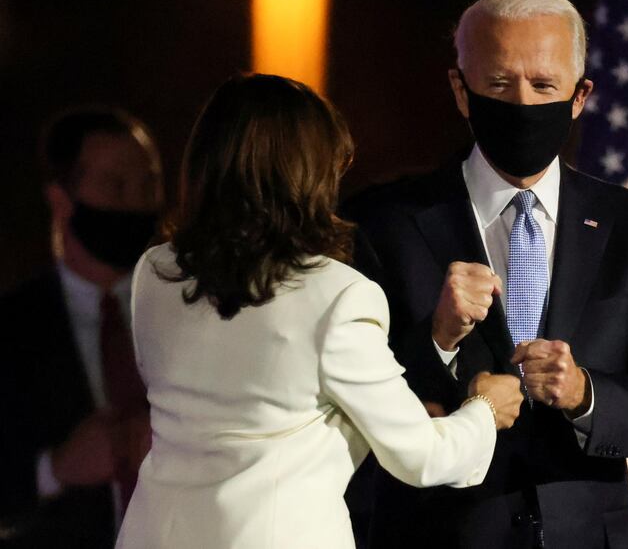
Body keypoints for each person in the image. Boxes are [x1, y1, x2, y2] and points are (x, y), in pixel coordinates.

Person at [349, 0, 628, 548]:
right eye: (498, 83)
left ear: (580, 95)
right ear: (460, 91)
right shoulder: (383, 223)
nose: (521, 103)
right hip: (439, 534)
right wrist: (437, 340)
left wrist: (584, 393)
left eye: (543, 86)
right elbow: (354, 406)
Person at [113, 73, 523, 549]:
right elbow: (421, 456)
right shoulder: (338, 294)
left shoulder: (154, 271)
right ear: (307, 175)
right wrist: (486, 409)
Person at [0, 106, 163, 547]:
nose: (137, 203)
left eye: (148, 184)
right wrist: (55, 470)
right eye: (115, 186)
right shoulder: (12, 327)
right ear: (60, 199)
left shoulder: (192, 307)